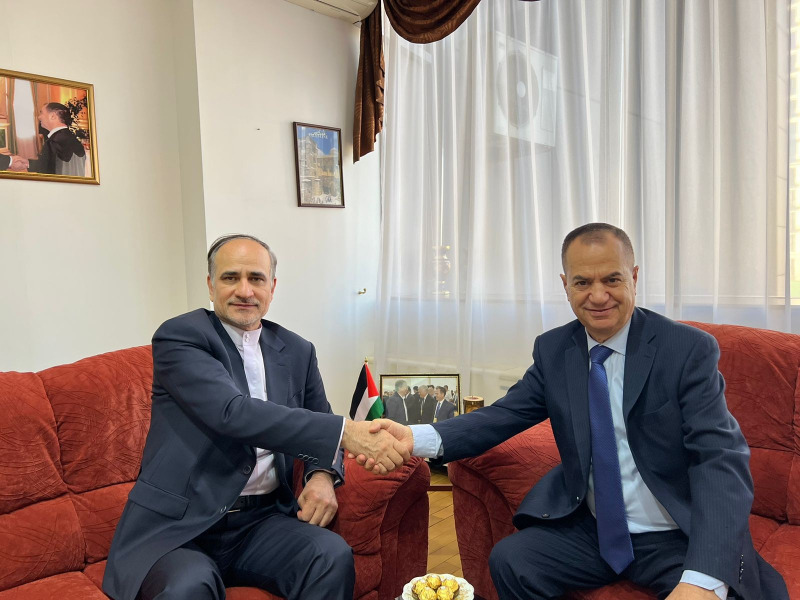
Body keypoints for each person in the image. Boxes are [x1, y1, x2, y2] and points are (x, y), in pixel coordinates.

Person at [361, 223, 788, 600]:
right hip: (593, 529)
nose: (598, 296)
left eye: (612, 279)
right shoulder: (555, 351)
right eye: (582, 282)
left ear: (634, 277)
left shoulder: (686, 349)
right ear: (565, 285)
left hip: (674, 533)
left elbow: (719, 458)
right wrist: (414, 437)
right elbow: (503, 415)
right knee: (512, 561)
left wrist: (703, 579)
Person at [103, 234, 409, 600]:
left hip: (261, 521)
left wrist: (321, 476)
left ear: (272, 287)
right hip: (181, 528)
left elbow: (320, 420)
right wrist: (347, 432)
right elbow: (232, 413)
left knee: (329, 556)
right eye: (231, 277)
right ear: (210, 285)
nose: (244, 290)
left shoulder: (297, 351)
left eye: (256, 278)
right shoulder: (181, 338)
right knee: (188, 586)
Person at [17, 102, 86, 175]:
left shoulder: (53, 142)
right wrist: (27, 163)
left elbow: (47, 172)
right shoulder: (71, 138)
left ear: (53, 116)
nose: (39, 117)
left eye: (41, 113)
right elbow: (52, 164)